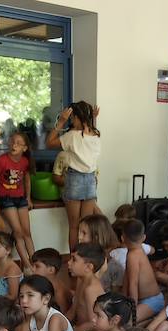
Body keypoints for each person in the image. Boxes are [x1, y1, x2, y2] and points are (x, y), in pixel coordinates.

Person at [47, 101, 100, 250]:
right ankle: (85, 261)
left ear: (76, 117)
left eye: (72, 118)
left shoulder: (71, 136)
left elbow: (49, 142)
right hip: (91, 181)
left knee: (74, 227)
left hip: (75, 179)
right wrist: (93, 119)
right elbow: (86, 136)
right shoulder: (96, 135)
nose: (71, 120)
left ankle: (73, 260)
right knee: (86, 226)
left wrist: (61, 121)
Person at [0, 133, 35, 269]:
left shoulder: (25, 162)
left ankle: (36, 262)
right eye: (12, 142)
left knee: (27, 231)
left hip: (20, 198)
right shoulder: (2, 160)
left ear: (25, 148)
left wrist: (28, 197)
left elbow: (27, 180)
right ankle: (27, 265)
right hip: (5, 199)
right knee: (17, 231)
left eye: (18, 143)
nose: (14, 145)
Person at [66, 244, 106, 331]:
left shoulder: (91, 289)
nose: (68, 262)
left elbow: (94, 323)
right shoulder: (81, 280)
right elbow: (72, 310)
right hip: (76, 329)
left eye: (74, 260)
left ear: (88, 267)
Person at [29, 248, 70, 313]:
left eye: (37, 266)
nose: (33, 269)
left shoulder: (58, 294)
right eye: (32, 266)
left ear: (51, 270)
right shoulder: (45, 284)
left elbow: (62, 317)